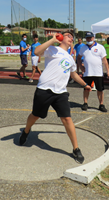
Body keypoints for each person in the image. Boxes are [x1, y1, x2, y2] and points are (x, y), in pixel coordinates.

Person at [19, 31, 92, 164]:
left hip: (61, 92)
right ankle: (26, 131)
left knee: (67, 119)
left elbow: (74, 75)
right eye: (68, 36)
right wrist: (52, 40)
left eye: (72, 37)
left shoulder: (70, 58)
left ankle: (76, 148)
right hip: (44, 89)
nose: (71, 38)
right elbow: (37, 52)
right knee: (35, 115)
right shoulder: (53, 49)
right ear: (61, 38)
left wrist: (85, 85)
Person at [77, 32, 109, 112]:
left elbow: (104, 60)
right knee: (86, 89)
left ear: (93, 38)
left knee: (100, 89)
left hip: (98, 73)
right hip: (87, 73)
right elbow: (78, 58)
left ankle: (101, 104)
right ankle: (85, 103)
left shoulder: (100, 47)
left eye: (90, 38)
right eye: (87, 38)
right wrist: (81, 67)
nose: (89, 39)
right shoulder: (83, 48)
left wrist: (108, 71)